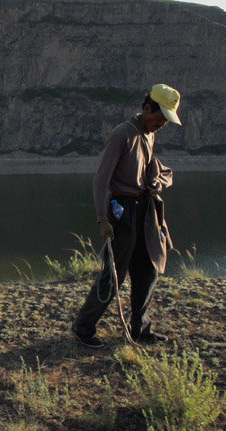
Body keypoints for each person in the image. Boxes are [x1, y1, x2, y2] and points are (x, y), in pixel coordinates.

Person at [71, 83, 182, 348]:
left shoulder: (148, 132)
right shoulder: (122, 134)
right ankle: (83, 328)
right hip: (123, 211)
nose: (163, 124)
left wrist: (156, 182)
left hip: (144, 209)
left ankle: (140, 330)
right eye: (161, 117)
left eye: (167, 120)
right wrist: (103, 218)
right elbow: (101, 179)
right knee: (114, 275)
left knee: (148, 271)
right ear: (147, 108)